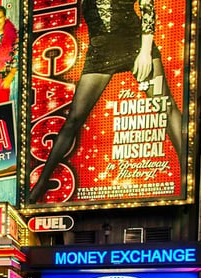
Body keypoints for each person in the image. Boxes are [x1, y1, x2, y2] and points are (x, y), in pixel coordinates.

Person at [28, 0, 184, 203]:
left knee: (167, 107)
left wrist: (145, 52)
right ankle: (40, 186)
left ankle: (187, 172)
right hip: (101, 52)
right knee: (74, 119)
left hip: (134, 43)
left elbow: (147, 7)